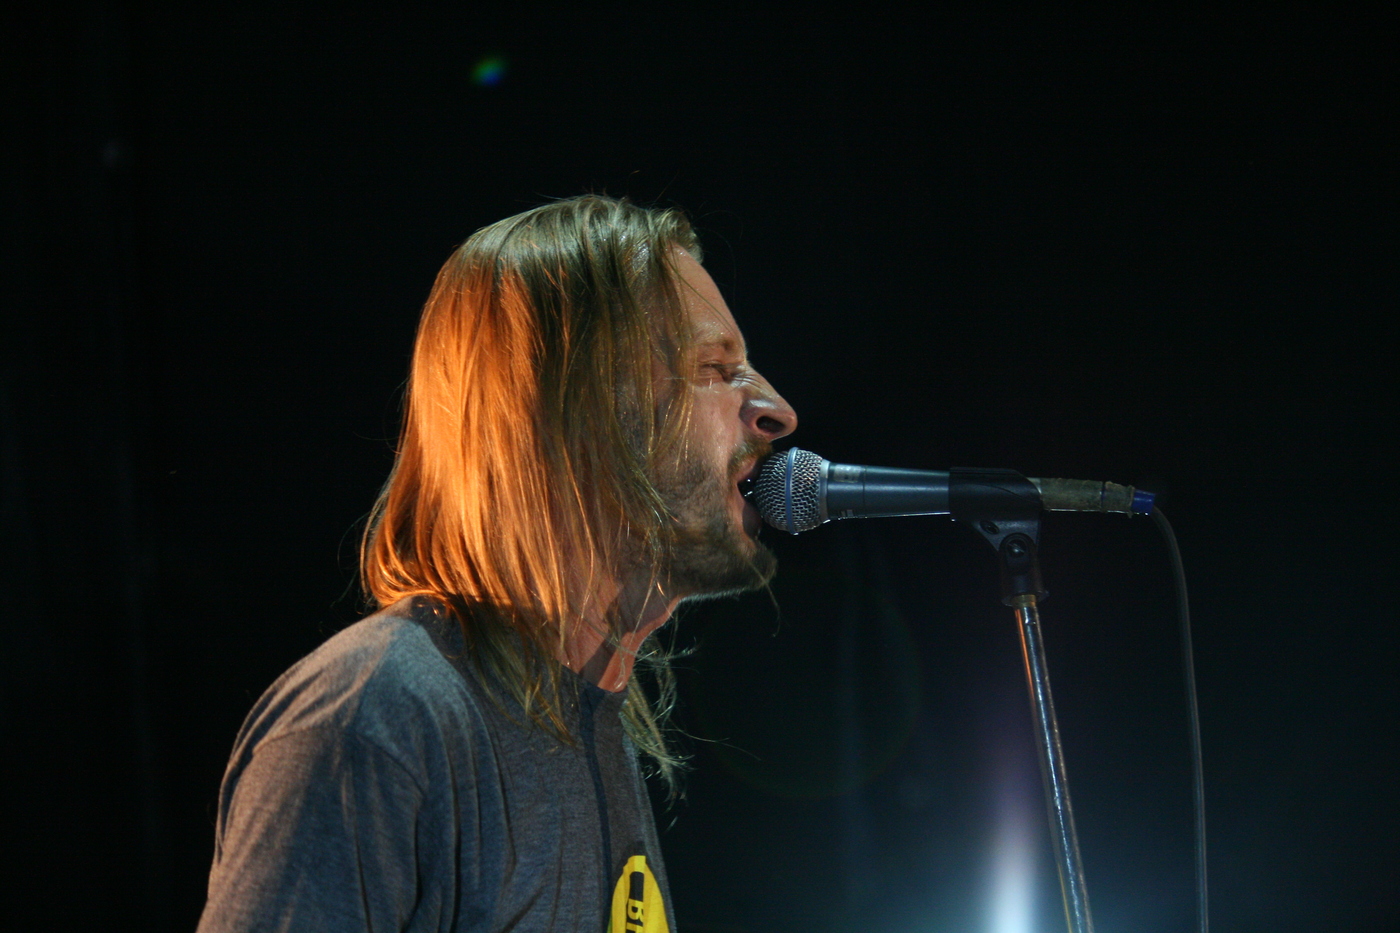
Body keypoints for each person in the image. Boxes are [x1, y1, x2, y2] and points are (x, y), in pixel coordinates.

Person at [196, 195, 798, 932]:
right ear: (574, 408)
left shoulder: (587, 719)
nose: (776, 409)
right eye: (715, 367)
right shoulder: (375, 721)